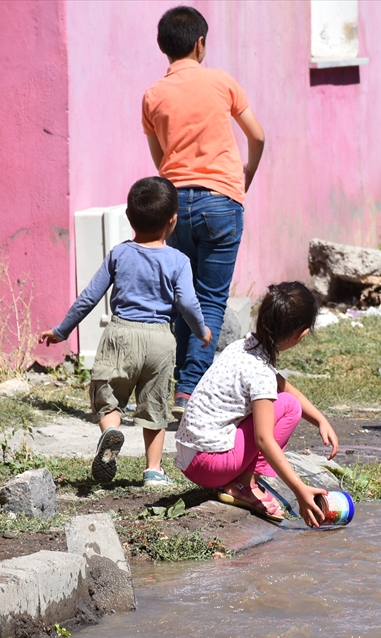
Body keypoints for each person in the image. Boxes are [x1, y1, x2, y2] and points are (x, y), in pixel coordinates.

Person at [39, 176, 212, 488]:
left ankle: (109, 432)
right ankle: (154, 470)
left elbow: (89, 297)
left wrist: (62, 331)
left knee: (107, 396)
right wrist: (201, 331)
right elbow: (187, 302)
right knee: (155, 404)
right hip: (161, 339)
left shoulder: (120, 254)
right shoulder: (178, 260)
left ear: (129, 218)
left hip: (121, 333)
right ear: (173, 221)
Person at [142, 5, 266, 417]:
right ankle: (190, 387)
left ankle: (177, 382)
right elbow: (258, 135)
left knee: (182, 296)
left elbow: (160, 162)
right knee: (211, 297)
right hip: (221, 201)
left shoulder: (153, 95)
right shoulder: (221, 83)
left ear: (163, 47)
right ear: (200, 44)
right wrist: (243, 176)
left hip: (174, 204)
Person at [175, 282, 338, 527]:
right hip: (209, 465)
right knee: (290, 407)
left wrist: (319, 419)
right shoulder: (259, 373)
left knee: (286, 400)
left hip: (190, 456)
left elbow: (281, 383)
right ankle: (244, 485)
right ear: (301, 335)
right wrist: (299, 489)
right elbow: (264, 439)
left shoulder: (242, 347)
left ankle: (238, 479)